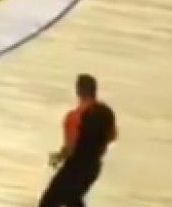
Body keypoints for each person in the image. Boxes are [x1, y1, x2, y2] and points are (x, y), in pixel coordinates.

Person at [41, 74, 117, 207]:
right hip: (93, 167)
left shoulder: (74, 116)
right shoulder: (107, 113)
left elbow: (71, 147)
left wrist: (58, 157)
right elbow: (112, 136)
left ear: (78, 90)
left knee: (49, 201)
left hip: (75, 167)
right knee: (72, 199)